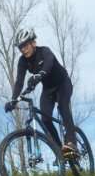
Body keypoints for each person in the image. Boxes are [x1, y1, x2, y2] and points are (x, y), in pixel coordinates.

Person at [5, 27, 78, 155]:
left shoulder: (44, 51)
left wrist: (39, 75)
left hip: (62, 84)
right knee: (45, 119)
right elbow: (19, 81)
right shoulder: (22, 61)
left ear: (33, 43)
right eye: (20, 47)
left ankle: (71, 142)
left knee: (63, 107)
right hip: (48, 89)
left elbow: (48, 63)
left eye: (25, 46)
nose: (23, 49)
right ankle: (59, 150)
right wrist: (13, 100)